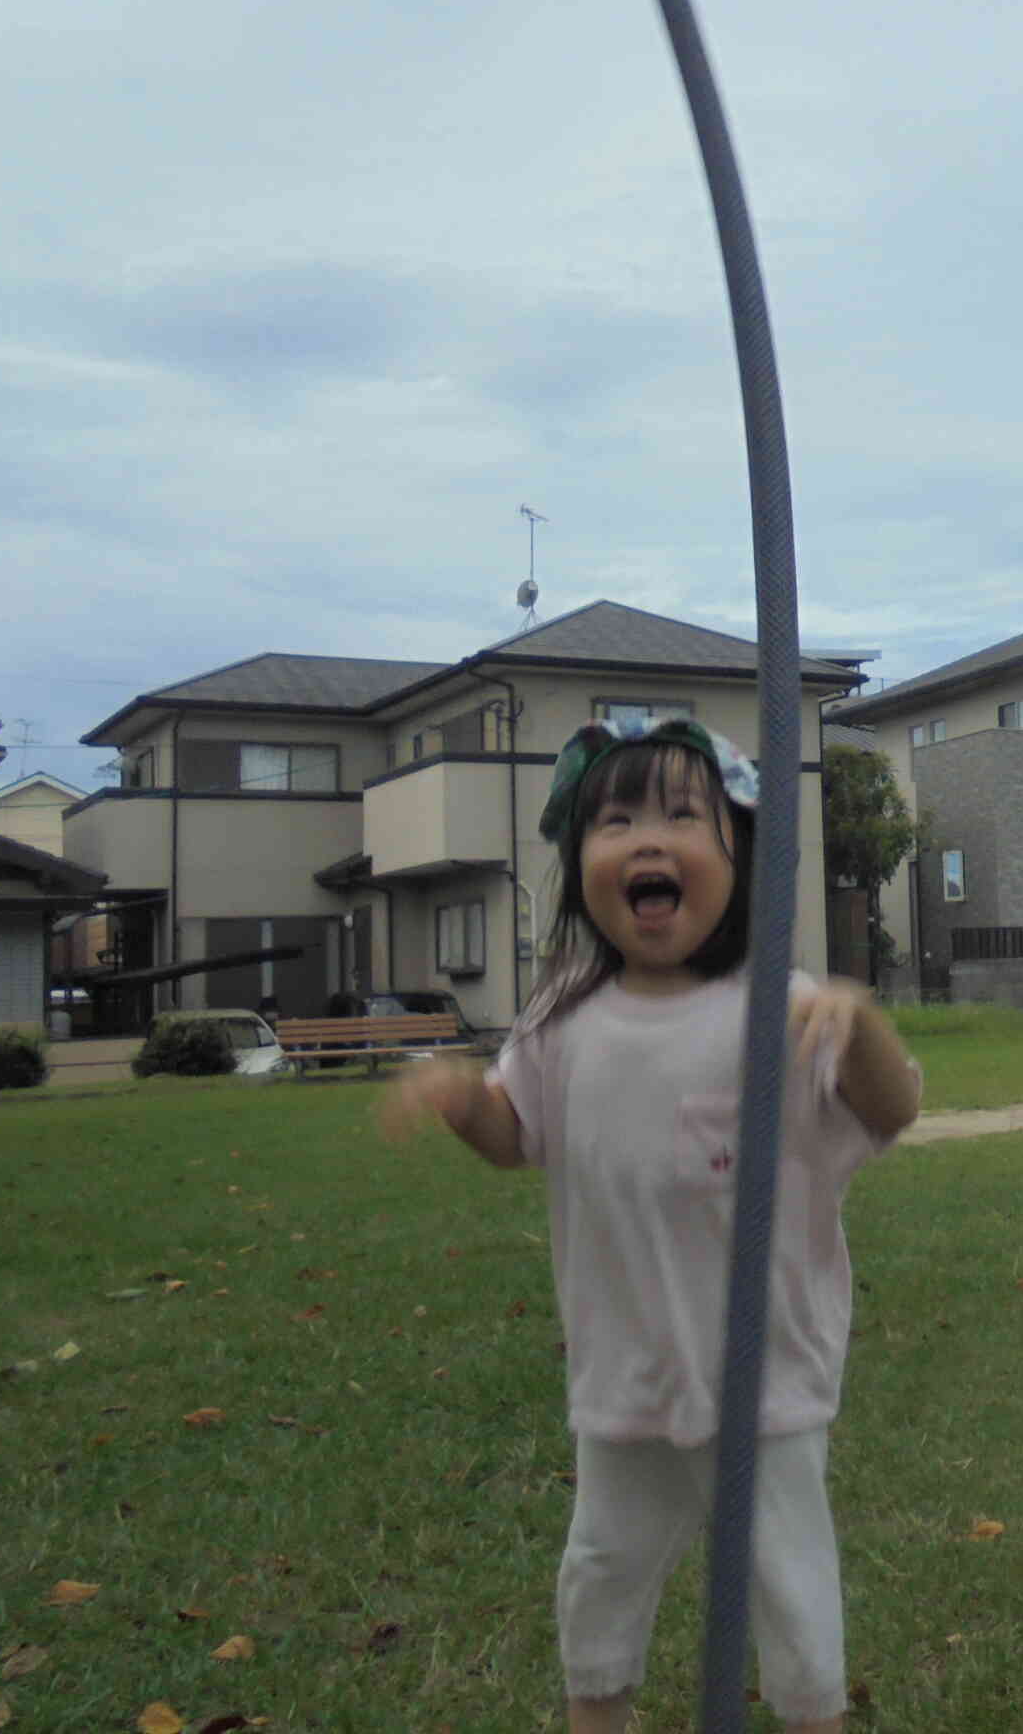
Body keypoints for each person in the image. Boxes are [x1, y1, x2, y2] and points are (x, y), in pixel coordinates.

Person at [383, 719, 923, 1734]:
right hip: (622, 1370)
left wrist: (864, 1027)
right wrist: (463, 1100)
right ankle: (602, 1715)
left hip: (762, 1376)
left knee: (788, 1583)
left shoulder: (779, 1007)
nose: (646, 839)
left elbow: (892, 1113)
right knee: (602, 1570)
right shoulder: (561, 1019)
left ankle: (814, 1716)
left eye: (684, 815)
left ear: (740, 857)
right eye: (615, 819)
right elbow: (517, 1137)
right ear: (579, 860)